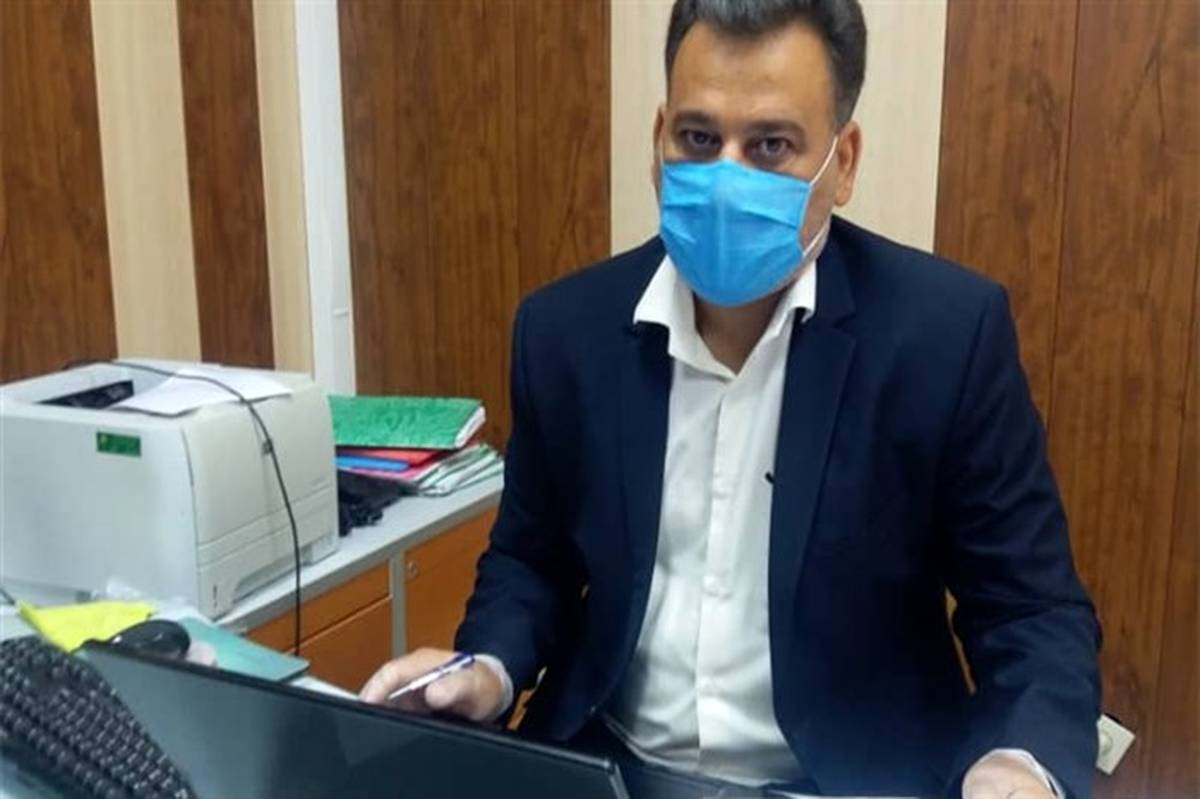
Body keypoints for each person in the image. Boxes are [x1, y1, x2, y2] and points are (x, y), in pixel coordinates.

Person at [361, 1, 1102, 796]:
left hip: (843, 780)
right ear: (659, 142)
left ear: (843, 163)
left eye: (771, 145)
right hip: (611, 764)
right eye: (698, 138)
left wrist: (1017, 761)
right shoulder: (564, 330)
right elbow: (530, 559)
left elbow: (1030, 611)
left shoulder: (944, 337)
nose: (726, 178)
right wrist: (488, 666)